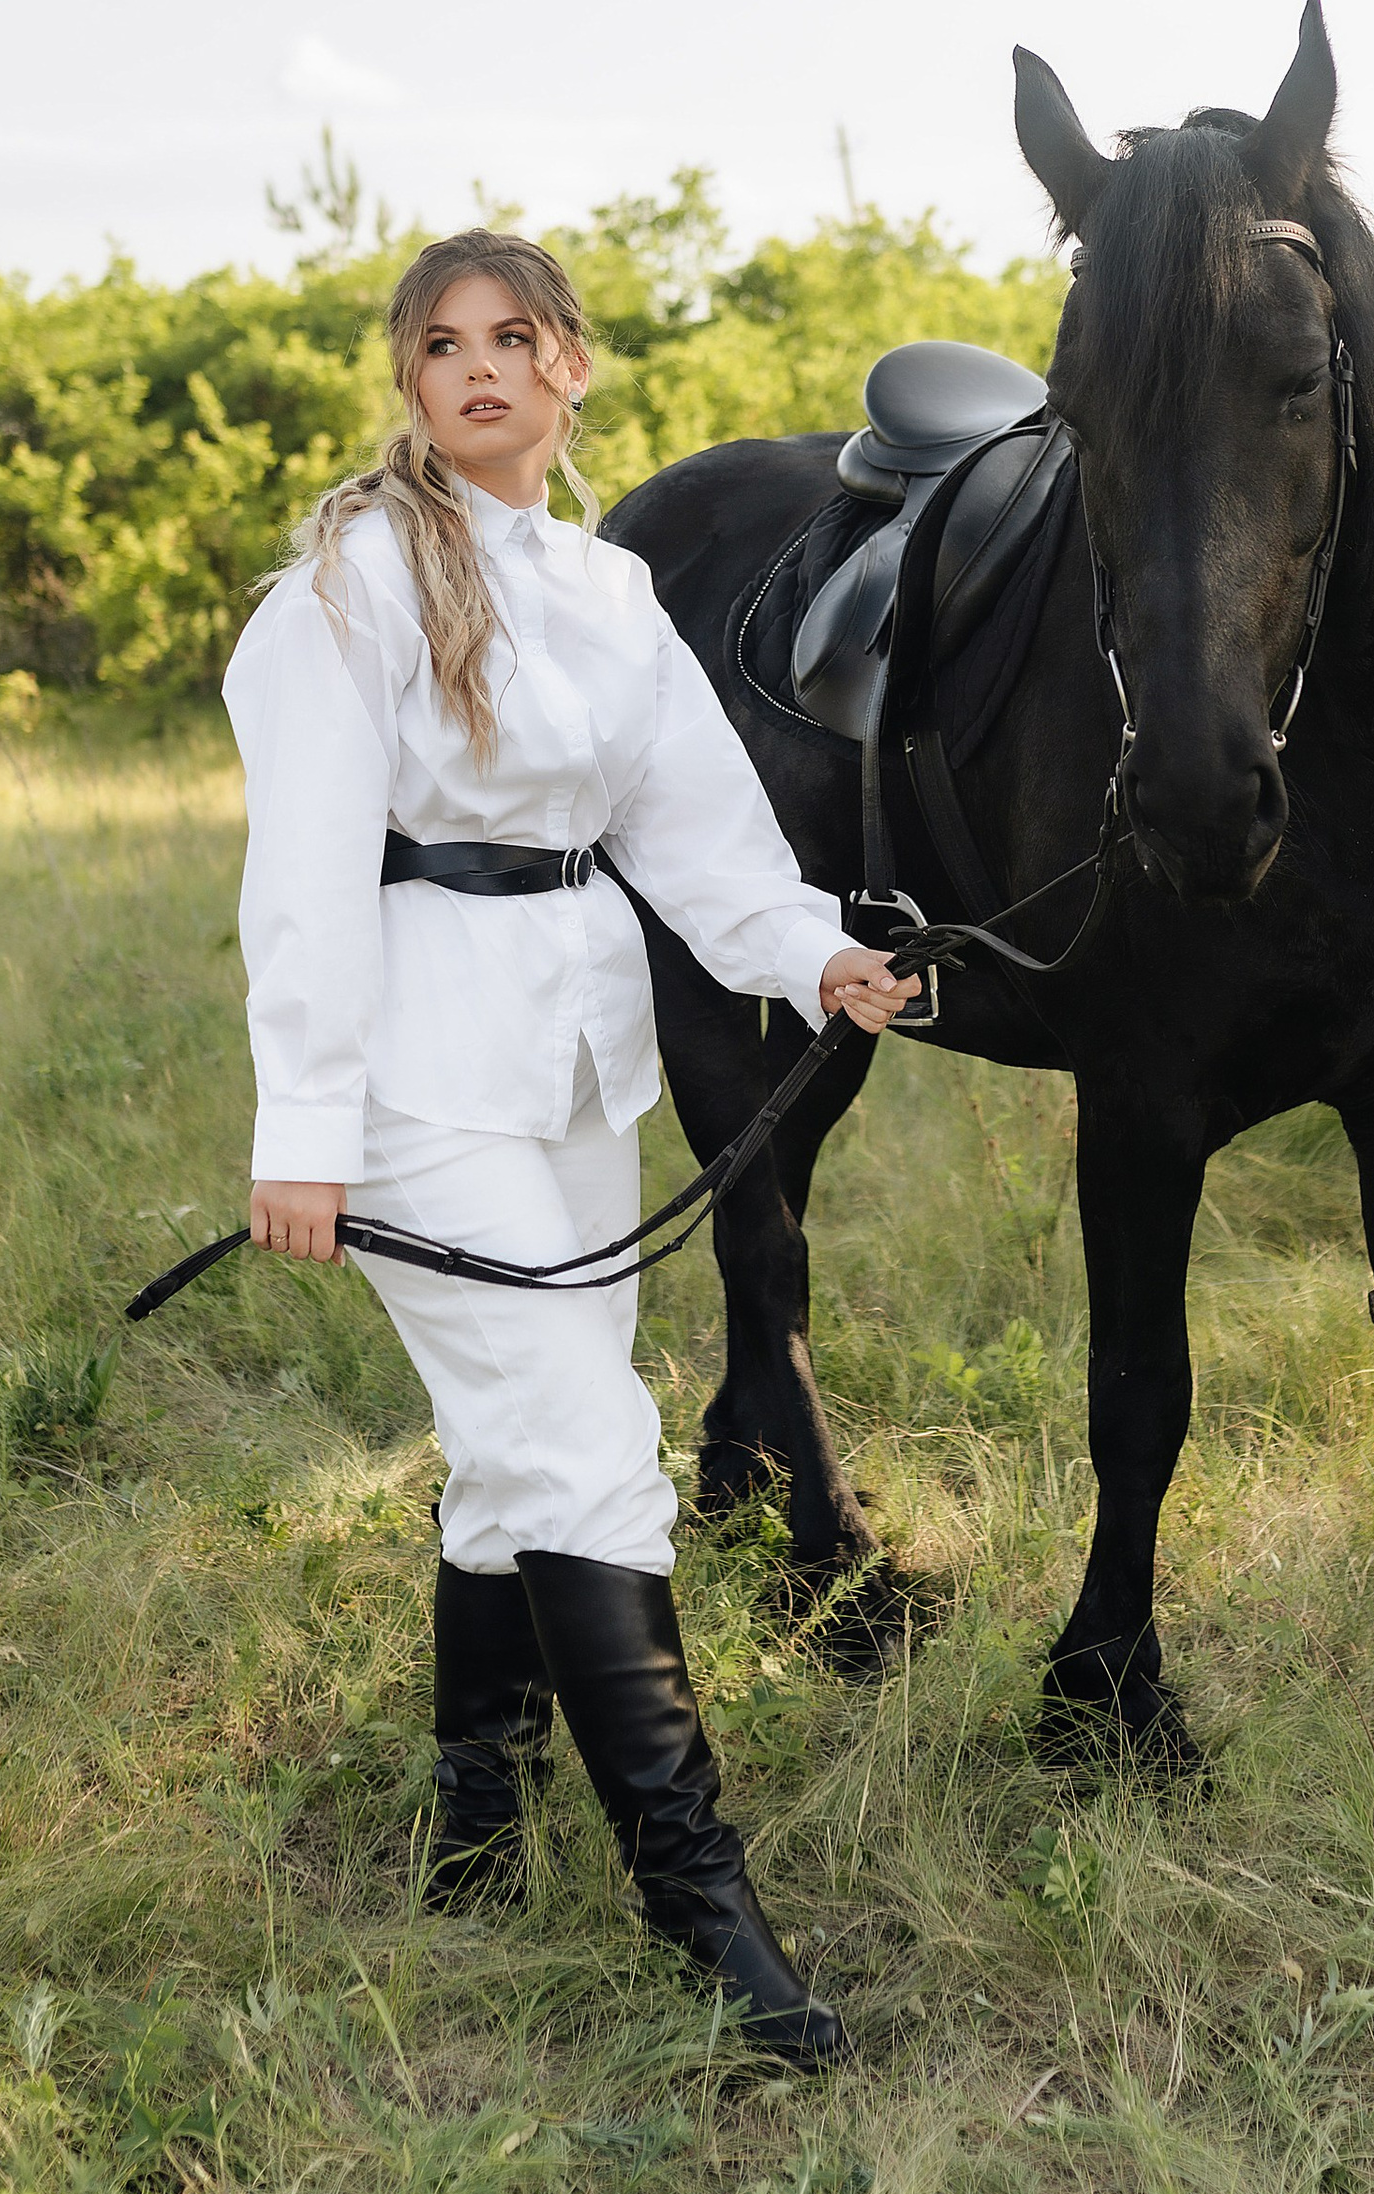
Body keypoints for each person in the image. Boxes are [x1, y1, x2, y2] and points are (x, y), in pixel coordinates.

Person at [222, 230, 911, 2069]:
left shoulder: (610, 596)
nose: (478, 370)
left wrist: (816, 951)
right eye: (441, 345)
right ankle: (705, 1916)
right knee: (594, 1459)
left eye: (513, 338)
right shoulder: (349, 587)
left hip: (572, 1067)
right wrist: (305, 1127)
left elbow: (700, 834)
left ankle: (473, 1821)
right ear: (412, 381)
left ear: (573, 367)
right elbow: (299, 873)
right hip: (410, 1080)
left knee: (515, 1451)